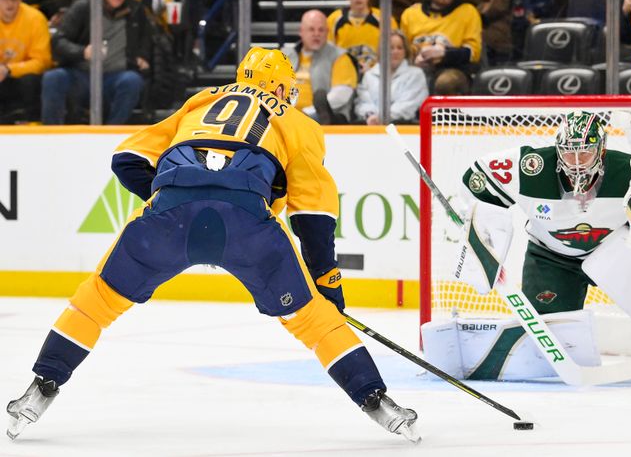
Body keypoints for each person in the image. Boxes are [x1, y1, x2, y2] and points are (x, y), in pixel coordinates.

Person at [5, 47, 420, 443]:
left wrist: (171, 197)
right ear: (278, 88)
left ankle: (42, 386)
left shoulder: (200, 100)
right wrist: (328, 288)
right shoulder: (298, 122)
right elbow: (312, 216)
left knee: (94, 303)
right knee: (313, 319)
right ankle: (375, 399)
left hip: (170, 212)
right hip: (247, 222)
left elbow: (126, 157)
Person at [449, 110, 631, 383]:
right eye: (568, 154)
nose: (576, 163)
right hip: (550, 257)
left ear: (601, 150)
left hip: (612, 249)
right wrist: (473, 219)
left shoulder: (629, 170)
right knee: (546, 343)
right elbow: (475, 180)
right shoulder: (531, 167)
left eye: (585, 154)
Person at [41, 0, 152, 125]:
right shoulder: (83, 7)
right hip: (82, 75)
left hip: (116, 77)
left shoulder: (135, 9)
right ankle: (51, 134)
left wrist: (143, 56)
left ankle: (112, 133)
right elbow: (58, 42)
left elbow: (147, 38)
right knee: (53, 78)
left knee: (132, 81)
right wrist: (82, 52)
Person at [400, 0, 482, 95]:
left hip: (454, 69)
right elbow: (402, 50)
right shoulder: (410, 14)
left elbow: (473, 53)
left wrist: (443, 54)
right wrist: (414, 59)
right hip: (415, 68)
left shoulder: (468, 11)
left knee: (446, 82)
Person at [282, 9, 359, 124]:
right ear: (301, 31)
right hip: (286, 114)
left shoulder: (340, 57)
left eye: (321, 30)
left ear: (327, 32)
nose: (316, 34)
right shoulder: (285, 55)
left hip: (323, 117)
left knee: (320, 111)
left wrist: (307, 112)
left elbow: (341, 95)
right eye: (311, 29)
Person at [0, 0, 51, 123]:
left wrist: (8, 69)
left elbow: (42, 62)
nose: (9, 3)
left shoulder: (36, 19)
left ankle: (33, 124)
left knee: (30, 81)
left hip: (24, 79)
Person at [327, 0, 397, 75]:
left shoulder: (384, 19)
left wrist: (375, 69)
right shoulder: (334, 19)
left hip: (377, 74)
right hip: (343, 74)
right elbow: (328, 53)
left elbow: (394, 51)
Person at [355, 30, 428, 125]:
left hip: (404, 126)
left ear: (405, 51)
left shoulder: (416, 74)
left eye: (400, 48)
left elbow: (409, 104)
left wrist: (383, 118)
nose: (395, 52)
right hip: (372, 125)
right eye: (391, 48)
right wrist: (371, 115)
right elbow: (362, 102)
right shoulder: (369, 75)